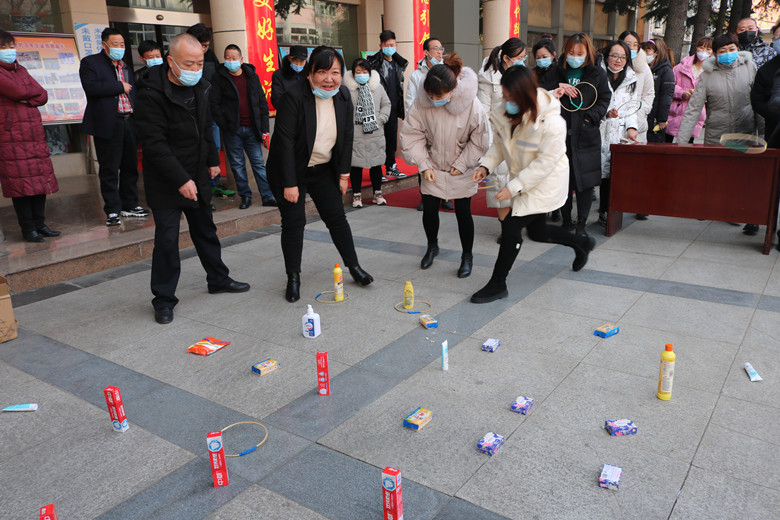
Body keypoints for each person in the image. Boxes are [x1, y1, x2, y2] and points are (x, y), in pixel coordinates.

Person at [135, 33, 250, 325]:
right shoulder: (149, 92)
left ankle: (218, 278)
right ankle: (163, 299)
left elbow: (205, 126)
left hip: (196, 170)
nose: (195, 69)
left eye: (199, 63)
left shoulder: (201, 85)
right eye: (189, 64)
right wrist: (180, 179)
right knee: (167, 239)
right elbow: (154, 144)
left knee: (205, 229)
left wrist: (212, 160)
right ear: (171, 61)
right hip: (165, 178)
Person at [470, 66, 594, 303]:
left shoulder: (552, 123)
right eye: (504, 96)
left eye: (511, 97)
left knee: (511, 228)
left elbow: (544, 165)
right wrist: (485, 166)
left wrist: (512, 187)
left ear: (526, 95)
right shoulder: (506, 113)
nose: (506, 102)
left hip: (545, 183)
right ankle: (581, 243)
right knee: (538, 233)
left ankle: (498, 284)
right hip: (523, 179)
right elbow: (499, 145)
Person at [267, 45, 374, 302]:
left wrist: (344, 174)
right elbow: (284, 144)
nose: (329, 79)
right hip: (291, 170)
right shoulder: (293, 97)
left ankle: (354, 267)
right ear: (310, 73)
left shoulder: (343, 95)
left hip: (323, 168)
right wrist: (290, 183)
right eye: (322, 72)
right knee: (294, 223)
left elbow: (346, 137)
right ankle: (293, 277)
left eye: (335, 72)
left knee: (337, 218)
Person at [400, 54, 489, 278]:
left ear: (453, 90)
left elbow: (480, 139)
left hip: (461, 167)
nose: (433, 100)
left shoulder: (471, 103)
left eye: (438, 96)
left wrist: (463, 163)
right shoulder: (421, 102)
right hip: (432, 165)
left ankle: (467, 256)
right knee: (430, 210)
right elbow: (412, 135)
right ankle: (432, 246)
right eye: (430, 95)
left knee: (463, 213)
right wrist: (423, 164)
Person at [540, 32, 611, 239]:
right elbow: (540, 93)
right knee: (563, 179)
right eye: (571, 52)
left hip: (586, 134)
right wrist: (557, 88)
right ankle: (566, 220)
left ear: (588, 52)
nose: (575, 57)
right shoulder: (555, 71)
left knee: (585, 182)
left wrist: (590, 117)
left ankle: (581, 223)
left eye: (580, 53)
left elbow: (605, 98)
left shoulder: (597, 73)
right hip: (559, 133)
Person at [79, 27, 149, 226]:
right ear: (104, 45)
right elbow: (90, 88)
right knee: (109, 169)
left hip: (129, 121)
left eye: (122, 44)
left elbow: (132, 93)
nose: (120, 47)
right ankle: (112, 210)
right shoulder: (91, 63)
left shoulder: (125, 66)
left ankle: (130, 204)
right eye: (115, 44)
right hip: (108, 123)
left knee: (130, 166)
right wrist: (119, 86)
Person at [0, 29, 60, 242]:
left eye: (11, 46)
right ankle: (28, 229)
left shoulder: (21, 69)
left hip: (33, 134)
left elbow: (42, 95)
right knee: (20, 185)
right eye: (3, 47)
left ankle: (40, 224)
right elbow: (18, 92)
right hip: (11, 136)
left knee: (39, 181)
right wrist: (27, 95)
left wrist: (27, 97)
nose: (9, 50)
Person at [210, 44, 275, 209]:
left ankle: (267, 196)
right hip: (232, 130)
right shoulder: (219, 77)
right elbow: (214, 104)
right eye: (227, 58)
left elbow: (261, 102)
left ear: (241, 59)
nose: (230, 61)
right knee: (237, 165)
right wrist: (224, 125)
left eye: (234, 58)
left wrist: (265, 128)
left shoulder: (251, 75)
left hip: (253, 128)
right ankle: (245, 197)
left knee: (258, 163)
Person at [478, 38, 528, 236]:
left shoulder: (523, 76)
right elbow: (483, 113)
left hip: (521, 138)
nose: (522, 61)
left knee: (520, 183)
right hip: (498, 137)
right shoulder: (488, 78)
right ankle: (506, 229)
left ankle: (517, 224)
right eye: (519, 57)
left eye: (524, 57)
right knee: (500, 184)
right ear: (506, 58)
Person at [675, 33, 757, 145]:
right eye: (722, 51)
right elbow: (693, 109)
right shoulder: (707, 75)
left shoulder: (749, 68)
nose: (728, 53)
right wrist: (681, 142)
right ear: (715, 54)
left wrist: (763, 134)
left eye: (732, 49)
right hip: (716, 136)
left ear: (737, 49)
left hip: (745, 135)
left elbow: (758, 101)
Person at [598, 41, 639, 227]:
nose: (618, 60)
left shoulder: (631, 78)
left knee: (612, 173)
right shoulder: (598, 74)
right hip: (599, 128)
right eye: (614, 56)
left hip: (619, 131)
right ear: (607, 56)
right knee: (597, 173)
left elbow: (632, 107)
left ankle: (607, 211)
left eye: (623, 57)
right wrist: (605, 114)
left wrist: (632, 127)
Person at [187, 23, 230, 201]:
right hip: (189, 111)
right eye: (202, 45)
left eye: (206, 46)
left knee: (214, 146)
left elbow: (218, 81)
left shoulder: (210, 56)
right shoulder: (180, 55)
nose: (205, 49)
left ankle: (212, 183)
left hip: (210, 109)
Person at [344, 58, 391, 208]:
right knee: (356, 165)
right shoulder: (346, 89)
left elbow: (386, 104)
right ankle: (357, 195)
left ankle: (378, 194)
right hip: (356, 132)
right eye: (358, 72)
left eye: (364, 71)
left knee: (376, 164)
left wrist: (381, 119)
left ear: (369, 73)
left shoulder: (378, 87)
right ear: (353, 74)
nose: (362, 74)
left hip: (375, 132)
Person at [368, 30, 408, 178]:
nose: (389, 47)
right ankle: (377, 170)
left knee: (391, 140)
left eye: (392, 45)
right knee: (378, 139)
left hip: (394, 107)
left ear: (396, 45)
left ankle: (391, 167)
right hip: (378, 108)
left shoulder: (399, 63)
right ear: (380, 45)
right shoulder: (373, 63)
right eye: (386, 45)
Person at [666, 37, 711, 143]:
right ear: (696, 48)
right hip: (675, 110)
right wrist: (682, 93)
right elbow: (670, 85)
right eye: (702, 47)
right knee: (667, 143)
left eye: (708, 49)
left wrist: (701, 95)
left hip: (695, 112)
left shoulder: (711, 71)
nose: (704, 51)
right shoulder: (681, 67)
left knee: (688, 146)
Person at [619, 30, 655, 142]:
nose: (632, 48)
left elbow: (649, 93)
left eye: (635, 45)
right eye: (628, 44)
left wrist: (640, 110)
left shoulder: (643, 67)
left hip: (637, 122)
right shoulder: (612, 64)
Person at [642, 39, 675, 144]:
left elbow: (666, 96)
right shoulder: (644, 68)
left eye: (648, 50)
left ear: (657, 53)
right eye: (643, 50)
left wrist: (662, 119)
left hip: (655, 117)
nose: (645, 53)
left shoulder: (665, 70)